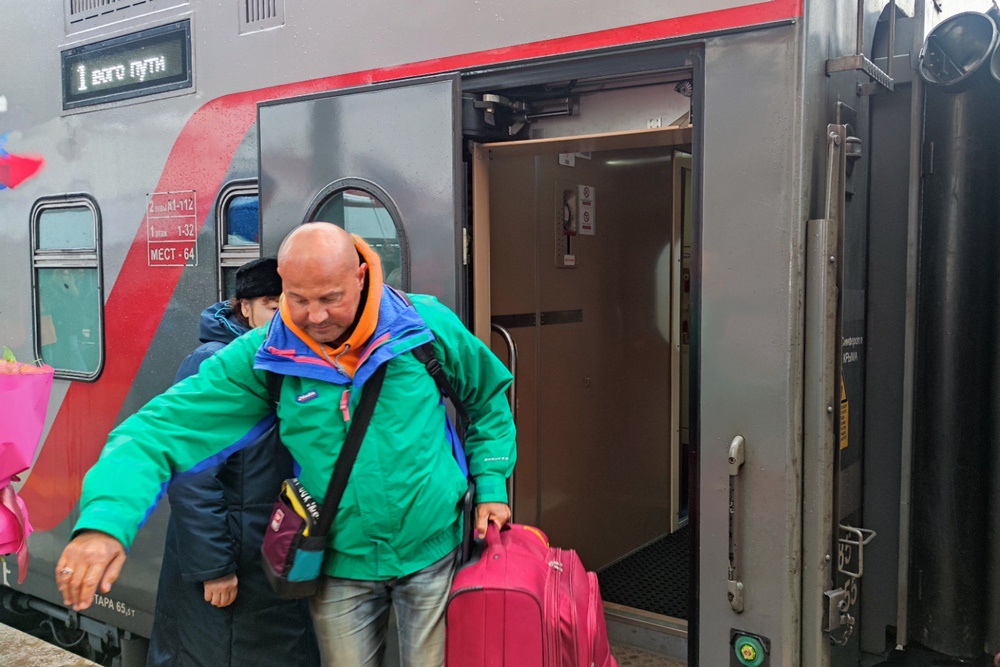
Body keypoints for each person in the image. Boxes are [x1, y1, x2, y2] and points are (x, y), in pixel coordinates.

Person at [57, 223, 516, 667]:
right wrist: (105, 521)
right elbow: (160, 430)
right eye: (298, 299)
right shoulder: (267, 356)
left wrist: (492, 483)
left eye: (330, 298)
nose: (315, 317)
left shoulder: (422, 325)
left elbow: (486, 398)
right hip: (340, 564)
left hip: (433, 549)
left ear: (360, 277)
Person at [147, 257, 320, 666]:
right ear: (245, 306)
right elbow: (190, 474)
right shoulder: (210, 362)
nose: (284, 317)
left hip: (273, 552)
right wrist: (214, 568)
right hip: (233, 563)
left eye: (291, 305)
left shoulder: (293, 360)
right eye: (272, 306)